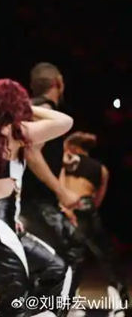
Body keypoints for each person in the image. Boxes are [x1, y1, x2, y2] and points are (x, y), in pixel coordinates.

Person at [0, 79, 73, 317]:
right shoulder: (13, 132)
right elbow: (65, 122)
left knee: (55, 269)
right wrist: (26, 106)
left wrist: (2, 219)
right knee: (14, 302)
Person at [19, 62, 85, 299]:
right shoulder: (44, 109)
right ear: (58, 83)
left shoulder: (32, 108)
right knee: (63, 260)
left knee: (54, 262)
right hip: (34, 202)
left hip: (32, 201)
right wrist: (62, 192)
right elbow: (31, 153)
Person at [62, 131, 129, 312]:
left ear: (72, 148)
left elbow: (59, 187)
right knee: (107, 257)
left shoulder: (66, 161)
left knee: (71, 259)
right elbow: (98, 199)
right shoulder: (101, 169)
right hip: (89, 210)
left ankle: (68, 303)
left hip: (69, 210)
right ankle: (120, 304)